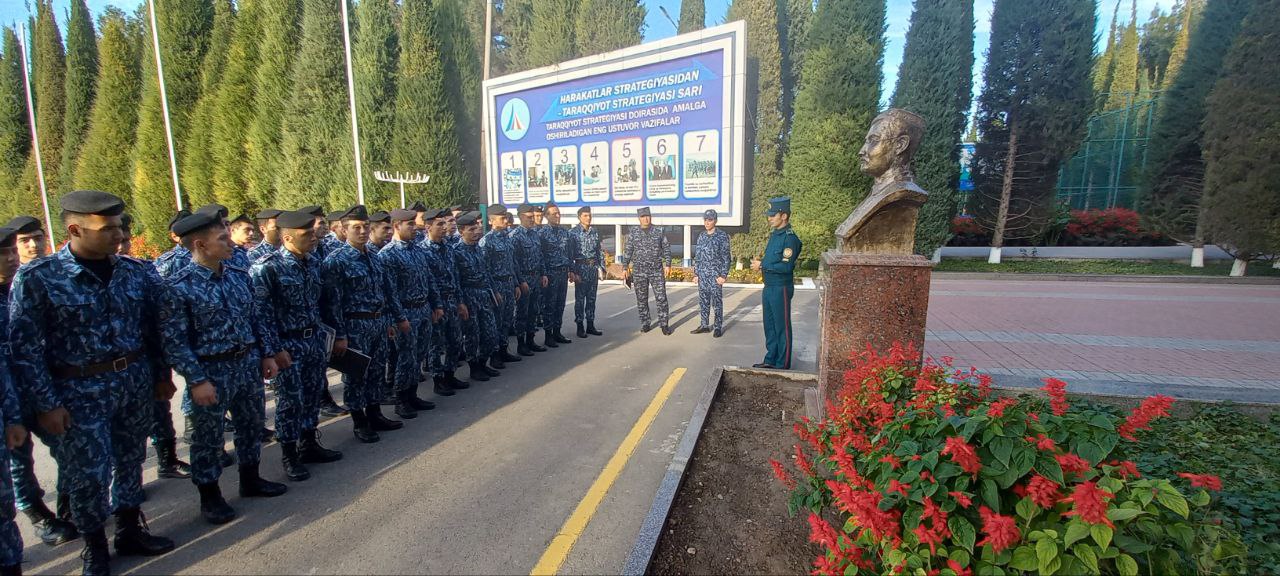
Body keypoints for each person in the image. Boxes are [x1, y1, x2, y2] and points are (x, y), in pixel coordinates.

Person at [8, 190, 176, 574]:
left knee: (131, 459)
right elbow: (26, 349)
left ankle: (130, 529)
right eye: (108, 229)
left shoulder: (135, 271)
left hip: (133, 383)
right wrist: (46, 404)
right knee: (88, 475)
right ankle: (95, 545)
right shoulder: (39, 278)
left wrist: (161, 375)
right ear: (75, 230)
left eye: (120, 226)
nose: (119, 234)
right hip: (77, 392)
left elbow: (153, 329)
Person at [158, 212, 288, 525]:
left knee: (251, 424)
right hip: (210, 371)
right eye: (222, 239)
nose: (231, 243)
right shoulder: (178, 287)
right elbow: (175, 341)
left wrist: (266, 354)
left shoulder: (238, 275)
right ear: (200, 245)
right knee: (208, 437)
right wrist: (196, 380)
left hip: (246, 364)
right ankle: (210, 495)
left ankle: (250, 478)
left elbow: (255, 318)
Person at [250, 211, 343, 482]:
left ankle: (309, 443)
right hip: (287, 344)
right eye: (307, 234)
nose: (314, 238)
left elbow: (326, 303)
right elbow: (261, 315)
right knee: (290, 402)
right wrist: (273, 350)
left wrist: (337, 334)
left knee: (313, 395)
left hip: (313, 340)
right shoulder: (268, 268)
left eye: (314, 233)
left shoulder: (315, 263)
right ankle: (289, 454)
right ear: (288, 237)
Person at [3, 226, 80, 548]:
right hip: (9, 399)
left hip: (45, 389)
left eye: (14, 249)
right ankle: (37, 514)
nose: (14, 256)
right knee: (19, 462)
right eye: (11, 250)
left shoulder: (39, 285)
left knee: (70, 448)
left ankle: (70, 505)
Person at [321, 206, 408, 443]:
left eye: (365, 227)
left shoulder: (374, 257)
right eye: (356, 227)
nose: (362, 231)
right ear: (344, 230)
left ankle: (375, 413)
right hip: (354, 326)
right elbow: (333, 303)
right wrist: (340, 335)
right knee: (356, 376)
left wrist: (389, 320)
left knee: (376, 371)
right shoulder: (336, 261)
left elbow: (384, 292)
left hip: (378, 322)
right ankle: (359, 421)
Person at [377, 209, 438, 420]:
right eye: (409, 224)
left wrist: (436, 305)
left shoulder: (417, 250)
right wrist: (399, 318)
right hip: (405, 312)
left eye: (414, 223)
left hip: (423, 308)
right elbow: (389, 291)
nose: (414, 228)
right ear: (397, 226)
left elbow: (429, 280)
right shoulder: (388, 254)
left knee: (418, 355)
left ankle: (412, 395)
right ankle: (401, 399)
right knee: (405, 358)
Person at [0, 226, 29, 575]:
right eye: (3, 253)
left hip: (30, 394)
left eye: (11, 250)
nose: (11, 257)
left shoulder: (24, 289)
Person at [422, 208, 470, 396]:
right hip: (436, 304)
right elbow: (425, 282)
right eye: (439, 224)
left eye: (445, 223)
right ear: (428, 227)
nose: (444, 227)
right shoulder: (422, 251)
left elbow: (455, 277)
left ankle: (450, 374)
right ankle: (438, 379)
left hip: (452, 301)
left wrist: (460, 301)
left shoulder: (448, 248)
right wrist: (434, 306)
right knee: (436, 344)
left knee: (455, 340)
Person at [752, 197, 802, 370]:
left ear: (784, 216)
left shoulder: (790, 239)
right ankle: (770, 359)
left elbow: (786, 267)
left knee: (782, 327)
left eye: (773, 215)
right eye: (770, 215)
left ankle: (782, 363)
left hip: (780, 287)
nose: (770, 218)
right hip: (769, 286)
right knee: (770, 326)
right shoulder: (775, 235)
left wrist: (762, 265)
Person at [453, 212, 501, 382]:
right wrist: (460, 303)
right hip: (469, 296)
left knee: (490, 333)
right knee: (472, 335)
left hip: (484, 294)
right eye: (471, 229)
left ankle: (483, 362)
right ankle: (474, 367)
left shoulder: (478, 248)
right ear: (461, 231)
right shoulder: (456, 252)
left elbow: (486, 273)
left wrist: (494, 291)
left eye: (477, 228)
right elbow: (456, 280)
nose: (476, 232)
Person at [479, 205, 523, 367]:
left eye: (506, 218)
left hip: (509, 283)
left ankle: (504, 350)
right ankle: (494, 354)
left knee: (507, 320)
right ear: (491, 221)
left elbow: (512, 263)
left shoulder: (507, 238)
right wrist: (493, 291)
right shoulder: (486, 241)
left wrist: (516, 283)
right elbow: (485, 270)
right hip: (497, 285)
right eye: (502, 218)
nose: (506, 221)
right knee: (495, 322)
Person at [622, 207, 672, 335]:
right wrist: (625, 267)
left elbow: (666, 247)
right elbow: (628, 250)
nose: (646, 219)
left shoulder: (659, 231)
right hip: (639, 271)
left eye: (648, 216)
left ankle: (664, 324)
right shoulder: (634, 232)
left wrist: (668, 264)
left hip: (656, 270)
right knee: (641, 299)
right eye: (643, 217)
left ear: (651, 216)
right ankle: (645, 323)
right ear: (639, 218)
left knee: (661, 298)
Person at [509, 204, 548, 356]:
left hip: (536, 277)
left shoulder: (534, 234)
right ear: (520, 217)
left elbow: (540, 255)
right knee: (522, 312)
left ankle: (531, 340)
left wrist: (543, 274)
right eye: (529, 217)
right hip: (524, 279)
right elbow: (514, 262)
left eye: (533, 217)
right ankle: (521, 343)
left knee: (534, 311)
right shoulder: (515, 236)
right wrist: (520, 281)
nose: (532, 220)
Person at [538, 203, 574, 348]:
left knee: (560, 304)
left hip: (563, 273)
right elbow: (540, 256)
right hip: (550, 273)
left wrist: (571, 270)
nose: (557, 216)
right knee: (549, 305)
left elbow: (569, 253)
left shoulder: (565, 232)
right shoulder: (542, 233)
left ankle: (557, 332)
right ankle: (548, 335)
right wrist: (543, 274)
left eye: (558, 213)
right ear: (546, 216)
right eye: (554, 214)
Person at [692, 209, 731, 337]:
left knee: (717, 303)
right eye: (705, 220)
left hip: (715, 276)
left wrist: (723, 275)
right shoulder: (702, 236)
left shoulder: (722, 236)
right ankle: (704, 325)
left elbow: (726, 257)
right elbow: (697, 256)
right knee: (703, 302)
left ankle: (718, 327)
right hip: (703, 275)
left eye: (710, 220)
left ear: (715, 221)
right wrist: (696, 273)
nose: (707, 222)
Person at [568, 206, 605, 338]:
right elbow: (570, 254)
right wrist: (573, 271)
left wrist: (602, 267)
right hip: (580, 268)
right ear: (579, 217)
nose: (588, 218)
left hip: (592, 268)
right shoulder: (573, 233)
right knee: (580, 300)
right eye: (585, 216)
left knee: (591, 299)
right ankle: (580, 326)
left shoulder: (595, 232)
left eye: (589, 215)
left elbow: (599, 251)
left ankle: (590, 325)